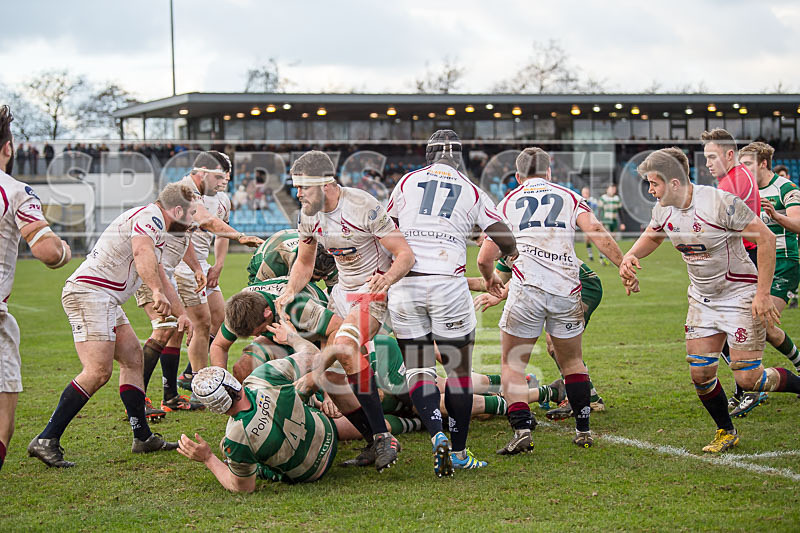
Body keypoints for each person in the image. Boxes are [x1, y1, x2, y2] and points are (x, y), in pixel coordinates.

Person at [619, 147, 800, 453]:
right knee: (701, 373)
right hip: (702, 299)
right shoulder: (663, 209)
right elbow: (653, 235)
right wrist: (631, 255)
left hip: (740, 295)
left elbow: (765, 238)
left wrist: (762, 294)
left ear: (675, 182)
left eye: (654, 184)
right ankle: (726, 430)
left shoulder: (720, 202)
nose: (650, 190)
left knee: (750, 377)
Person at [27, 183, 195, 468]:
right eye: (190, 214)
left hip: (104, 297)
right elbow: (143, 255)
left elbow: (162, 275)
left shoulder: (155, 224)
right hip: (91, 293)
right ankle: (47, 438)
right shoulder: (151, 217)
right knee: (98, 371)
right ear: (177, 210)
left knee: (133, 358)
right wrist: (154, 292)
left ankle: (142, 437)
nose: (191, 221)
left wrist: (182, 313)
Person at [386, 129, 517, 475]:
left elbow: (388, 228)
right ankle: (458, 451)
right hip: (448, 285)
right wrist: (512, 254)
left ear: (427, 156)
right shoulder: (471, 190)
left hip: (406, 285)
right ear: (459, 158)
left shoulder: (406, 182)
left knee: (418, 368)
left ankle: (435, 434)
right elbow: (500, 232)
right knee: (458, 372)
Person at [275, 150, 415, 472]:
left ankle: (384, 435)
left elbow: (404, 254)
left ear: (325, 184)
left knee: (345, 347)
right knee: (334, 377)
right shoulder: (308, 215)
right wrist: (290, 290)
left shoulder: (363, 206)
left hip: (372, 294)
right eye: (295, 187)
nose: (297, 195)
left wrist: (387, 278)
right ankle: (373, 439)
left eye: (303, 188)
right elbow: (304, 263)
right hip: (341, 296)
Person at [491, 147, 632, 453]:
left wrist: (486, 272)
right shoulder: (567, 196)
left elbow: (491, 252)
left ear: (517, 176)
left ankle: (522, 430)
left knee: (513, 364)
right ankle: (583, 429)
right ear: (549, 171)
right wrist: (622, 263)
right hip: (566, 289)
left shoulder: (507, 202)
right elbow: (594, 228)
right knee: (572, 360)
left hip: (527, 290)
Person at [0, 106, 72, 472]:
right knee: (4, 388)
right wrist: (63, 252)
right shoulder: (15, 191)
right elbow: (46, 251)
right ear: (8, 148)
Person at [171, 151, 263, 391]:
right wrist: (241, 237)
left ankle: (190, 374)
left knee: (220, 318)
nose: (225, 181)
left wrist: (218, 265)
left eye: (228, 176)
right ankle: (194, 386)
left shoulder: (222, 199)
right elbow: (204, 224)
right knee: (193, 325)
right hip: (182, 264)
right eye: (221, 175)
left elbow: (220, 233)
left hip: (202, 264)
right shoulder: (183, 190)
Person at [473, 258, 607, 419]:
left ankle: (581, 399)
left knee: (558, 343)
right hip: (558, 287)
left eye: (480, 239)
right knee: (554, 345)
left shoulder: (517, 241)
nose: (480, 244)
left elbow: (525, 272)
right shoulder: (503, 251)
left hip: (581, 285)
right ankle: (588, 398)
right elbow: (495, 280)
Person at [734, 142, 800, 415]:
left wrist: (776, 216)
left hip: (785, 263)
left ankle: (752, 389)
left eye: (747, 164)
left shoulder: (786, 188)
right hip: (755, 265)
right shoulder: (743, 193)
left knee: (756, 322)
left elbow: (798, 224)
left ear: (763, 163)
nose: (743, 169)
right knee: (767, 330)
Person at [132, 220, 207, 416]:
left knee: (175, 331)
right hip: (152, 273)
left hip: (168, 275)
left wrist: (197, 267)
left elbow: (185, 241)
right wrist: (237, 236)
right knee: (164, 327)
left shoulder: (186, 211)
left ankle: (171, 396)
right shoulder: (170, 209)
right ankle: (137, 400)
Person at [246, 228, 337, 288]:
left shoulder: (329, 258)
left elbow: (336, 297)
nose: (324, 278)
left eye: (326, 274)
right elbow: (258, 292)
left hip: (292, 240)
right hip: (263, 258)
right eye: (321, 275)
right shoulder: (277, 259)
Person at [581, 187, 599, 261]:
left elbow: (595, 209)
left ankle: (601, 256)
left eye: (586, 192)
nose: (585, 194)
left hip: (593, 222)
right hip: (585, 223)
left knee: (597, 240)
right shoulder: (580, 200)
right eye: (584, 192)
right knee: (587, 239)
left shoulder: (592, 200)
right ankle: (590, 256)